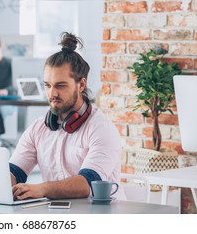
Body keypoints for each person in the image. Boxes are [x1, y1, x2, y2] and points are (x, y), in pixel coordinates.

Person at [9, 32, 125, 200]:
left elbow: (87, 184)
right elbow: (15, 172)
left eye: (60, 85)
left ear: (81, 84)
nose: (52, 93)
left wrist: (42, 189)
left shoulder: (101, 129)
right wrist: (1, 182)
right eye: (47, 85)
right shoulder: (38, 128)